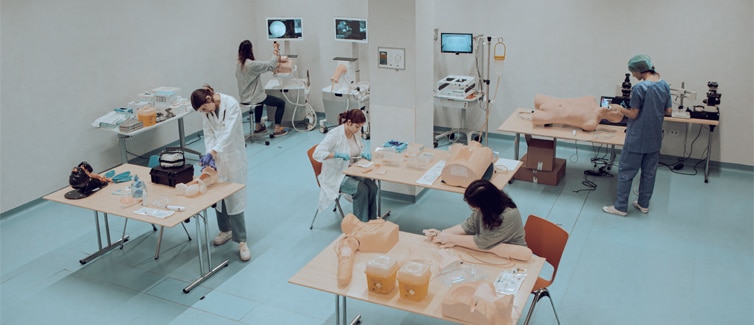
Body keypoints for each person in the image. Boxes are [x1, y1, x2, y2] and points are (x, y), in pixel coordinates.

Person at [602, 54, 672, 217]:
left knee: (626, 172)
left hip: (637, 138)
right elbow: (668, 111)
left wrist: (619, 108)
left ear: (640, 70)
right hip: (654, 138)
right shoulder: (664, 86)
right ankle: (643, 204)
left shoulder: (639, 88)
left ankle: (620, 207)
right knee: (649, 172)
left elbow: (633, 115)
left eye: (633, 72)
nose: (633, 76)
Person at [190, 85, 251, 261]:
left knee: (235, 197)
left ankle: (242, 241)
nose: (203, 112)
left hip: (233, 156)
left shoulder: (231, 104)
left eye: (203, 108)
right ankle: (225, 230)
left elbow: (229, 133)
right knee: (218, 196)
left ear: (208, 99)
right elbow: (208, 134)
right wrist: (209, 153)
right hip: (217, 157)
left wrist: (214, 152)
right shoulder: (206, 112)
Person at [423, 179, 532, 261]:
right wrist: (441, 234)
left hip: (511, 256)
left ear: (485, 204)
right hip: (489, 251)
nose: (475, 210)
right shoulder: (487, 207)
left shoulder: (508, 214)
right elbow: (469, 226)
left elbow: (483, 242)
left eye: (476, 206)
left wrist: (451, 238)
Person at [313, 109, 377, 222]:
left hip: (351, 170)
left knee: (372, 187)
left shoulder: (355, 133)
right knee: (361, 190)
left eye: (360, 127)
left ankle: (372, 222)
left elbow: (354, 151)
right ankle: (360, 225)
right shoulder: (334, 134)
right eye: (357, 126)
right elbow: (317, 153)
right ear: (348, 122)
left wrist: (362, 155)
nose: (359, 130)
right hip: (336, 174)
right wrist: (336, 155)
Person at [235, 39, 288, 137]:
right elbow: (271, 64)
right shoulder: (251, 64)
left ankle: (258, 127)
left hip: (244, 98)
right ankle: (277, 129)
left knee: (260, 102)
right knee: (281, 103)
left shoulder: (239, 65)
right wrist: (276, 50)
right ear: (250, 50)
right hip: (254, 97)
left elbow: (256, 72)